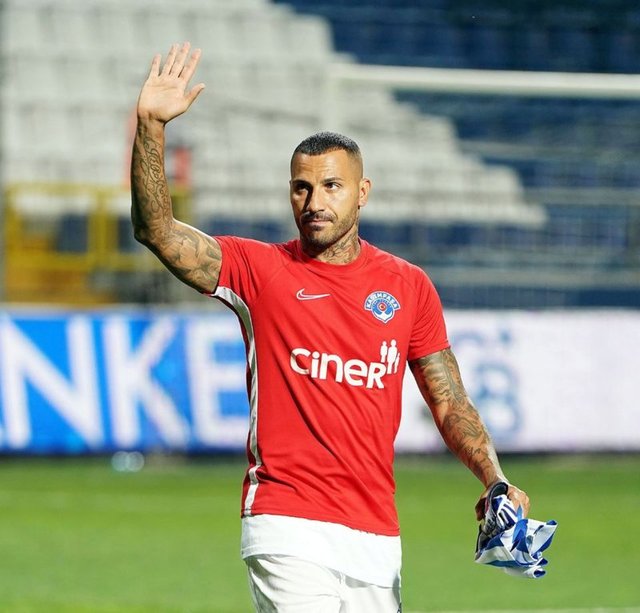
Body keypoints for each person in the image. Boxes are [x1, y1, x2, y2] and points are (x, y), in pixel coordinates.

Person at [131, 42, 530, 612]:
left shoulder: (409, 286)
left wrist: (494, 479)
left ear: (362, 193)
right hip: (285, 524)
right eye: (302, 187)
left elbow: (449, 402)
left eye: (331, 186)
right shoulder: (259, 270)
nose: (314, 201)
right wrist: (151, 127)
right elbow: (157, 231)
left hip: (375, 536)